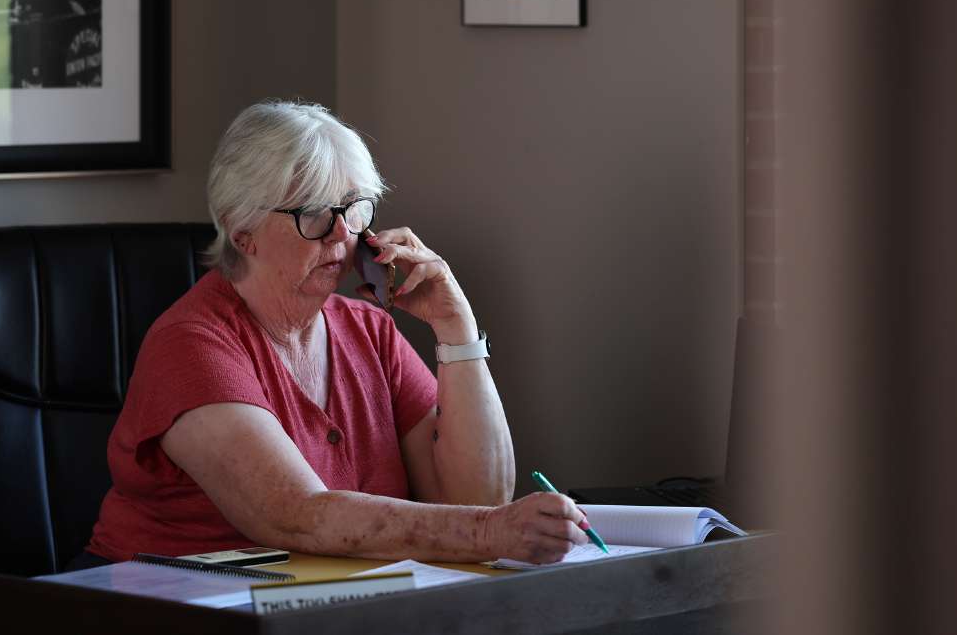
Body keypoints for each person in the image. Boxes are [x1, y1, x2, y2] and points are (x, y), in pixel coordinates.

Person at [80, 101, 588, 568]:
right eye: (314, 213)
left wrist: (456, 328)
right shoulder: (192, 345)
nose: (344, 234)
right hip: (164, 606)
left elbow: (477, 500)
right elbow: (294, 515)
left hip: (324, 600)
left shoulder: (370, 331)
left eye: (353, 208)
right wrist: (488, 532)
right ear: (243, 233)